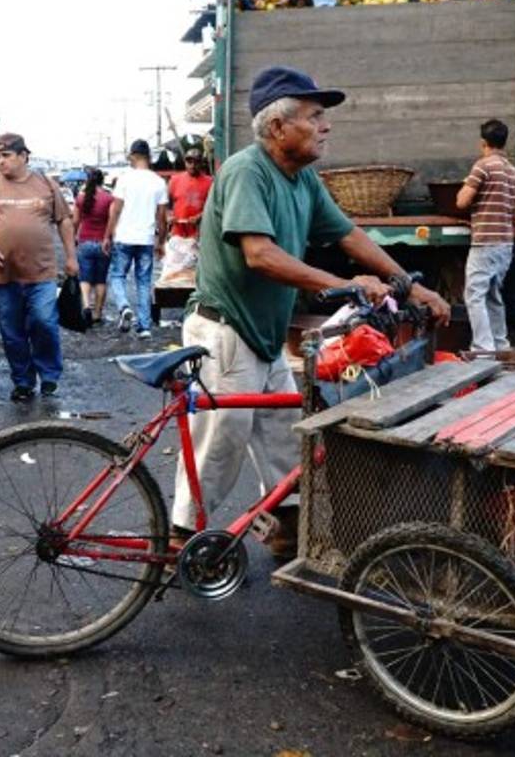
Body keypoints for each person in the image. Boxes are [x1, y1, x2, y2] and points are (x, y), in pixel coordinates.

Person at [171, 66, 451, 560]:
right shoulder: (247, 170)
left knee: (287, 432)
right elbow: (260, 254)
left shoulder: (303, 180)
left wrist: (406, 286)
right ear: (278, 127)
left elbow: (348, 235)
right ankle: (179, 539)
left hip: (262, 334)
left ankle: (286, 530)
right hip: (227, 330)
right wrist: (345, 286)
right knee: (221, 442)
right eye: (315, 116)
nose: (326, 126)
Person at [0, 133, 79, 402]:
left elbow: (64, 220)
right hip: (4, 274)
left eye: (6, 155)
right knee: (12, 332)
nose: (0, 161)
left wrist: (71, 257)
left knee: (44, 322)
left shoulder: (45, 183)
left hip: (41, 272)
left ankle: (50, 375)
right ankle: (23, 381)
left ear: (23, 156)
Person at [455, 119, 515, 355]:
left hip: (485, 241)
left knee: (474, 295)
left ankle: (483, 349)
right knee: (493, 295)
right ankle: (500, 344)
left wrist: (466, 186)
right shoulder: (514, 172)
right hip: (505, 244)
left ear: (483, 143)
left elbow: (462, 201)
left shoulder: (483, 166)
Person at [103, 139, 169, 338]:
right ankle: (144, 326)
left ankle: (124, 306)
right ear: (149, 157)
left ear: (133, 155)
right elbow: (162, 218)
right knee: (143, 281)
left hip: (124, 236)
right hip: (146, 238)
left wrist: (107, 235)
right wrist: (161, 242)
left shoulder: (124, 179)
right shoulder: (158, 182)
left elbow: (115, 211)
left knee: (117, 276)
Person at [73, 168, 114, 324]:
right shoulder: (109, 199)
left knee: (85, 278)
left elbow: (75, 222)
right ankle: (97, 313)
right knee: (100, 280)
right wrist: (108, 238)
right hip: (103, 244)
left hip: (85, 242)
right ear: (102, 181)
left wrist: (72, 239)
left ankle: (86, 306)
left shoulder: (81, 198)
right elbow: (112, 221)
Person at [168, 148, 214, 240]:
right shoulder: (175, 180)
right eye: (189, 162)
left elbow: (213, 207)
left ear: (201, 163)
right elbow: (166, 204)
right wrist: (169, 216)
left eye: (196, 162)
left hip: (200, 235)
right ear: (185, 162)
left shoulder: (210, 182)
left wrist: (200, 216)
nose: (192, 165)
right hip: (177, 234)